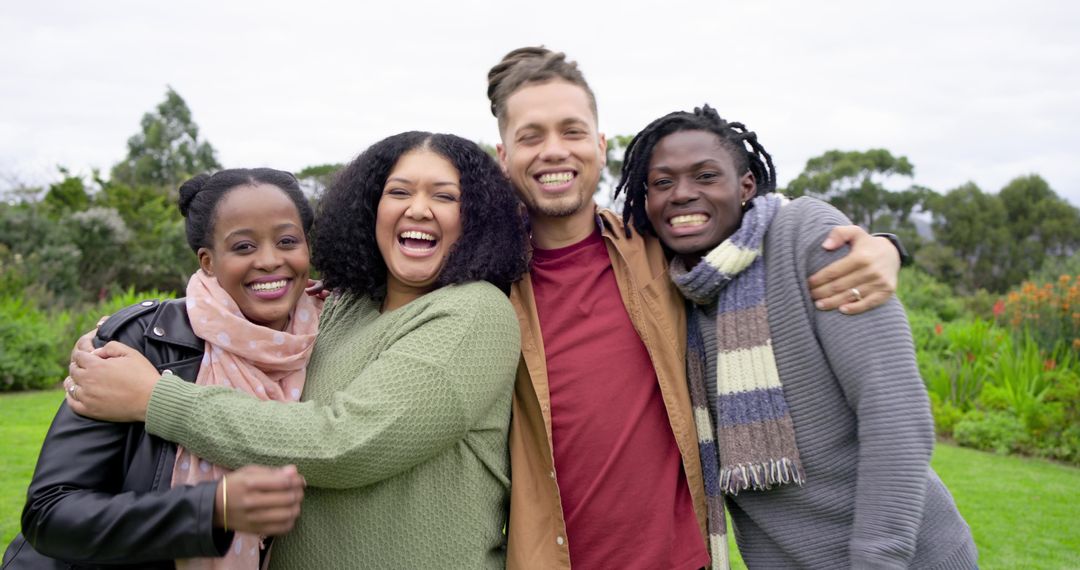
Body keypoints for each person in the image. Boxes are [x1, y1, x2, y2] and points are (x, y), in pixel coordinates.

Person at [486, 47, 909, 569]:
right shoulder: (485, 284)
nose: (554, 150)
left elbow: (757, 225)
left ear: (599, 145)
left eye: (572, 132)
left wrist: (884, 245)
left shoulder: (660, 253)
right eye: (531, 136)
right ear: (503, 155)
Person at [60, 132, 529, 568]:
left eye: (444, 196)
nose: (419, 209)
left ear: (476, 218)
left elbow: (346, 444)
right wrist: (138, 330)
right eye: (399, 192)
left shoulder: (473, 312)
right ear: (372, 209)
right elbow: (252, 309)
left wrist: (155, 399)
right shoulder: (344, 306)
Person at [615, 104, 977, 569]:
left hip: (907, 557)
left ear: (746, 186)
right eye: (662, 183)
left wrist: (877, 561)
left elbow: (895, 413)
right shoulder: (668, 287)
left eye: (705, 176)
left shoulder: (801, 234)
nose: (682, 194)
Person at [4, 168, 317, 570]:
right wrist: (212, 509)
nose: (270, 260)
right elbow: (50, 514)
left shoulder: (329, 336)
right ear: (208, 261)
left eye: (287, 241)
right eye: (243, 247)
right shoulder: (141, 342)